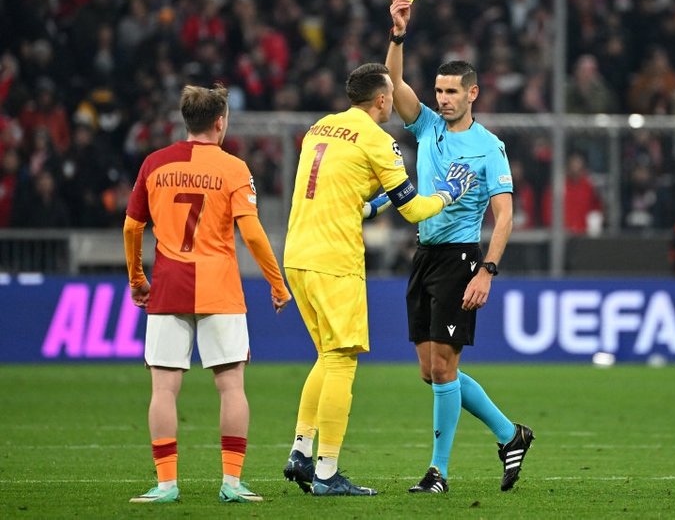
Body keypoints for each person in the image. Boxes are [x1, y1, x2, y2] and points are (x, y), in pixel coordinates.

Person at [282, 62, 477, 497]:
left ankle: (300, 450)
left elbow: (350, 198)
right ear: (382, 99)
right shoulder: (379, 140)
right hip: (334, 260)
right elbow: (414, 210)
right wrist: (449, 193)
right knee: (341, 359)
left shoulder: (321, 128)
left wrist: (382, 202)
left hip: (298, 254)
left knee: (325, 354)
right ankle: (327, 472)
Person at [386, 0, 534, 494]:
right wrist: (398, 33)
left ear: (473, 94)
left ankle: (438, 472)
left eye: (452, 92)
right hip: (424, 254)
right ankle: (510, 434)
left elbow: (506, 214)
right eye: (440, 91)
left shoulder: (489, 147)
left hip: (461, 258)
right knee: (431, 372)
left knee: (445, 367)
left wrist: (486, 271)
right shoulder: (427, 125)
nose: (442, 99)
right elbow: (396, 83)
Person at [123, 84, 292, 504]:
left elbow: (131, 228)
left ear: (186, 120)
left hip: (168, 284)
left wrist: (136, 279)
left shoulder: (154, 164)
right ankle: (231, 483)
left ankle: (166, 485)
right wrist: (276, 280)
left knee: (163, 390)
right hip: (219, 287)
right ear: (220, 122)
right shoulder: (234, 169)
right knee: (231, 387)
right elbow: (251, 232)